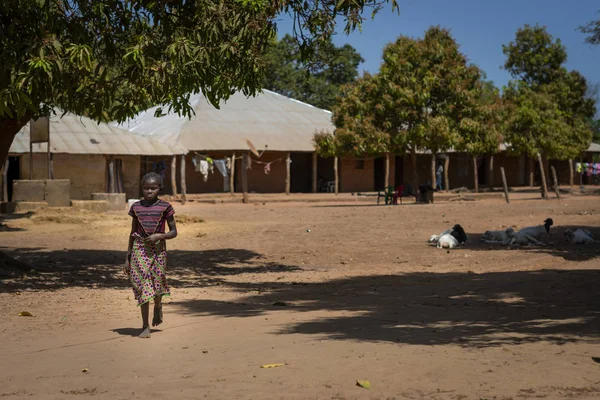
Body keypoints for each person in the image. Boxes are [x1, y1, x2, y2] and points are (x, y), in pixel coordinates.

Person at [125, 172, 178, 338]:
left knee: (156, 283)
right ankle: (145, 325)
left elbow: (174, 232)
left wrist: (159, 236)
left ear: (159, 188)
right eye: (146, 188)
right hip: (139, 248)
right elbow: (132, 232)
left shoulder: (165, 207)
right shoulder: (136, 207)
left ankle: (158, 304)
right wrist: (127, 257)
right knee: (142, 286)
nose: (149, 191)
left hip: (158, 250)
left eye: (153, 188)